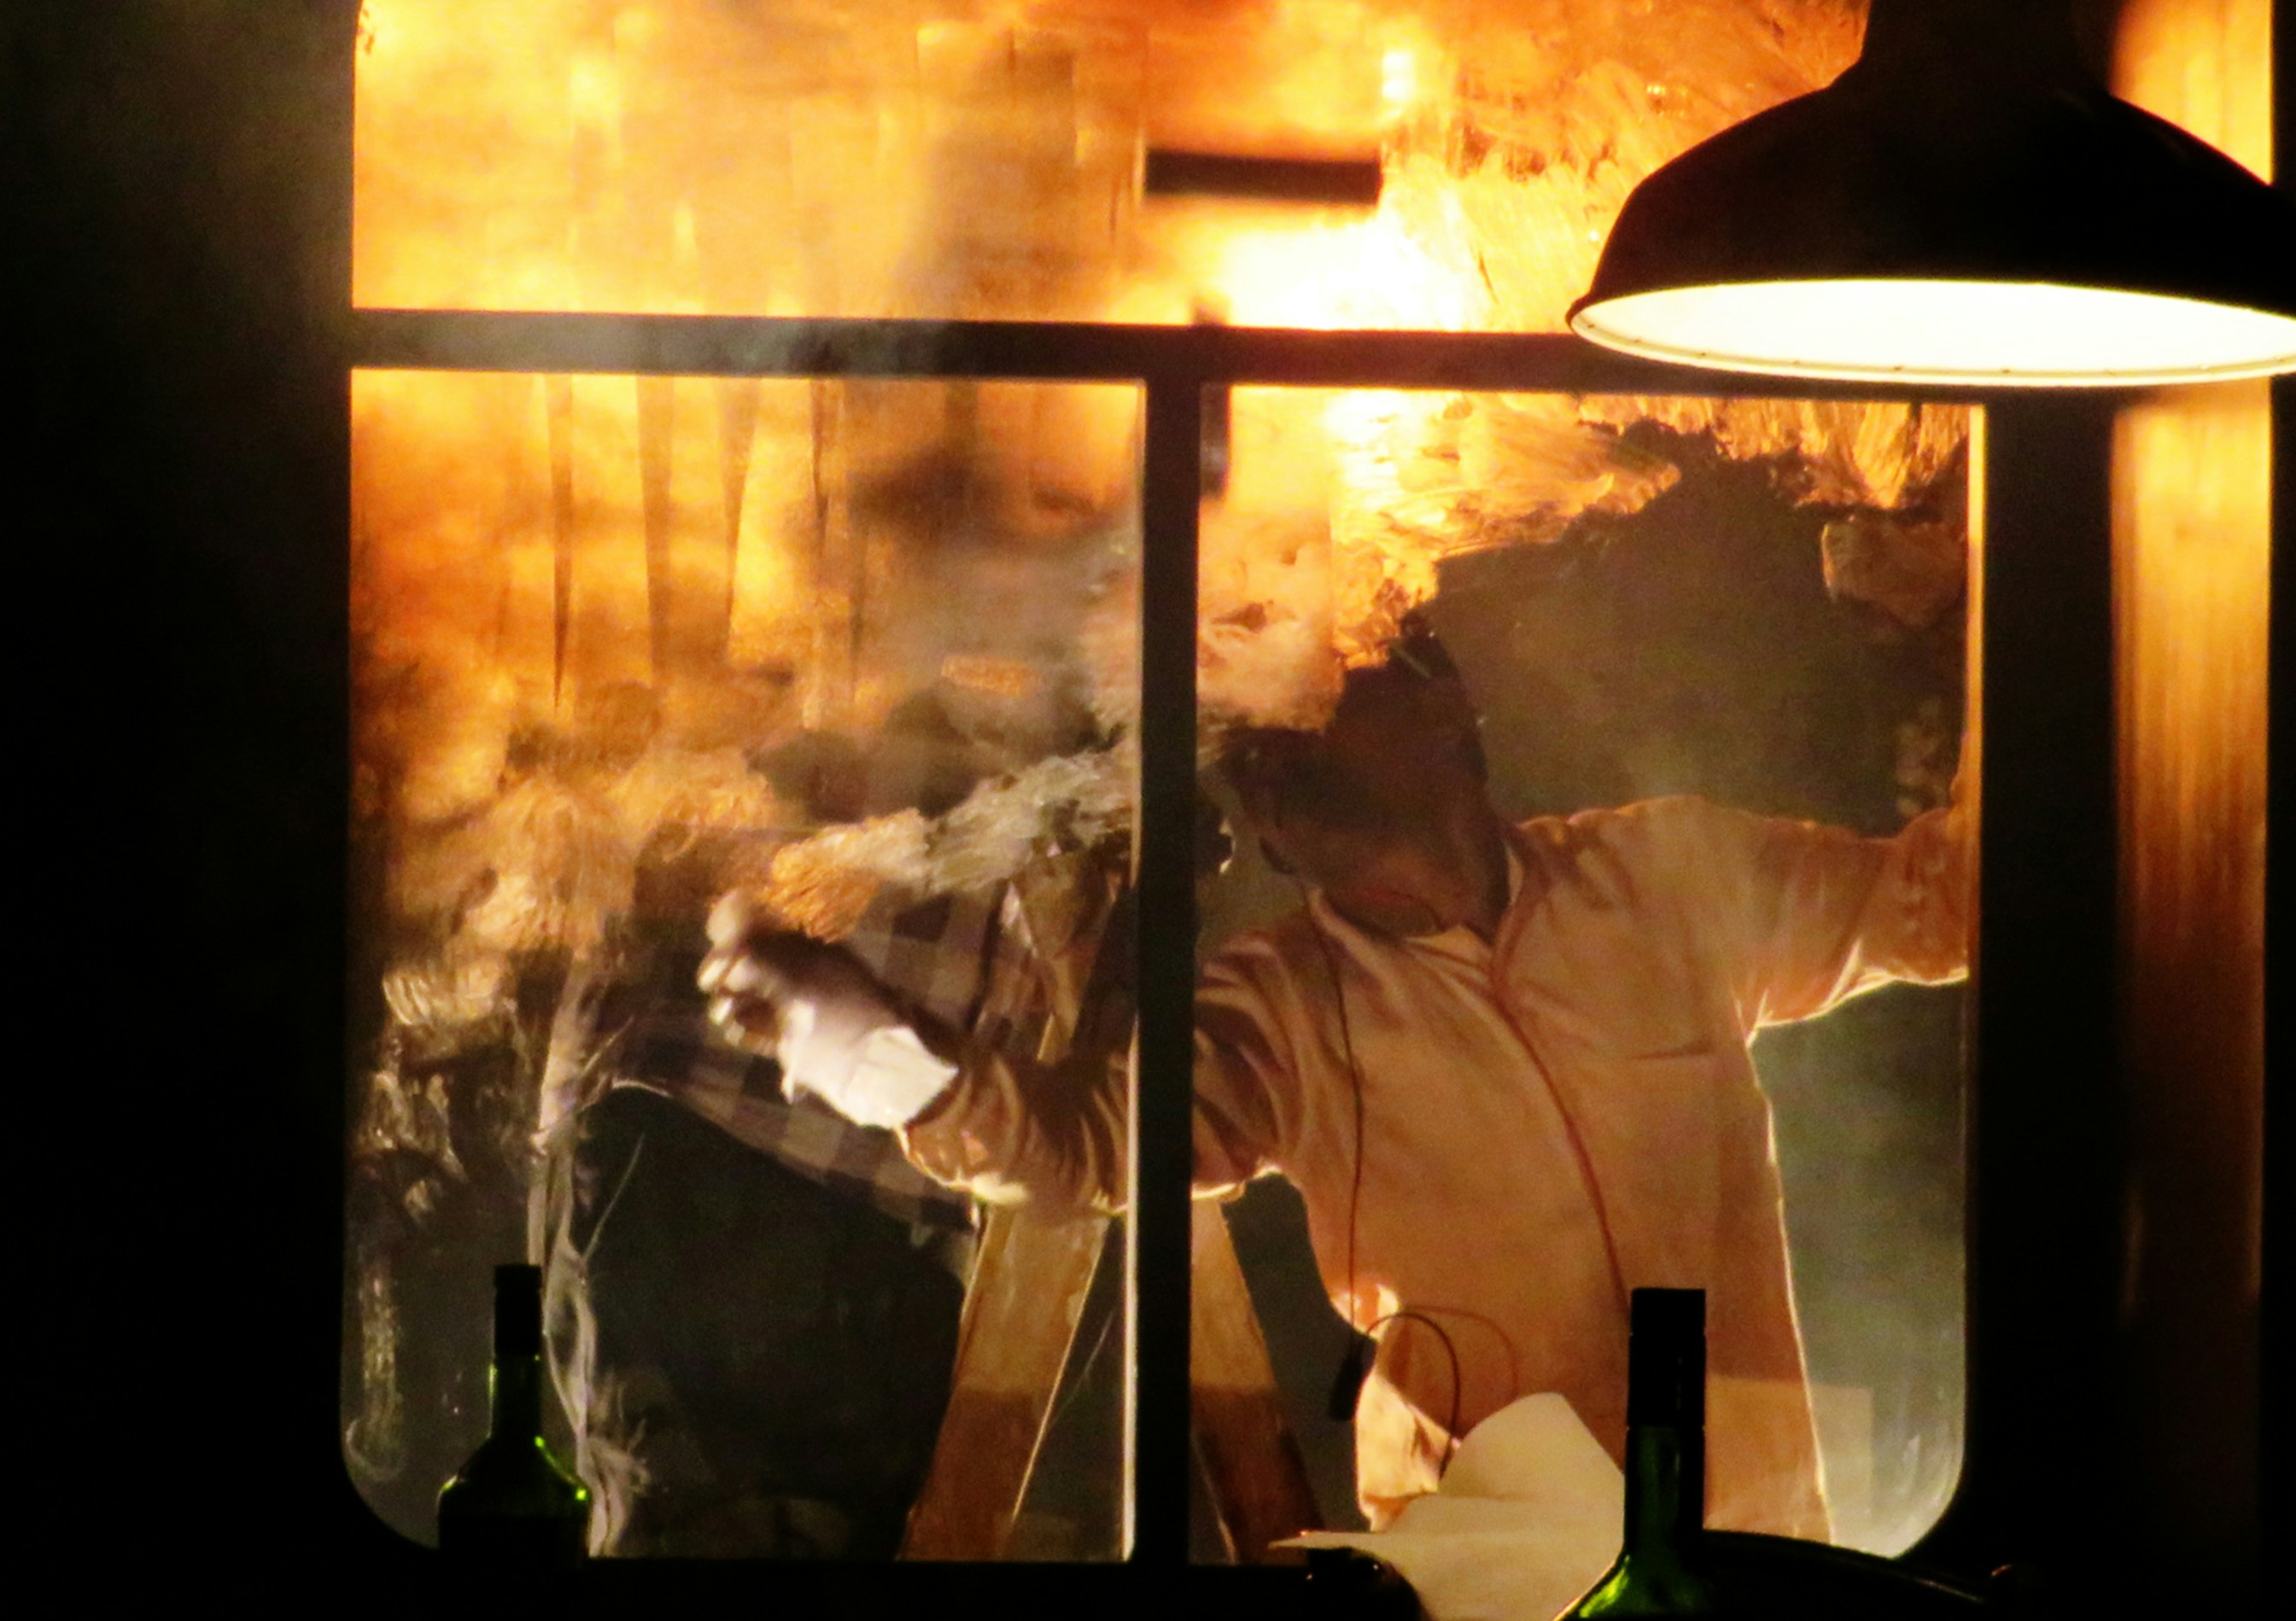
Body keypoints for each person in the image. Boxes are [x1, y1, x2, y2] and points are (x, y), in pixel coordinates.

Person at [698, 631, 1967, 1536]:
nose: (1264, 750)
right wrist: (864, 1054)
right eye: (1242, 725)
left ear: (1445, 703)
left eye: (1310, 687)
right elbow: (1087, 1149)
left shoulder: (1668, 876)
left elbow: (1951, 899)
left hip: (1751, 1560)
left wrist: (1959, 618)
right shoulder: (1285, 1002)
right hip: (1489, 1592)